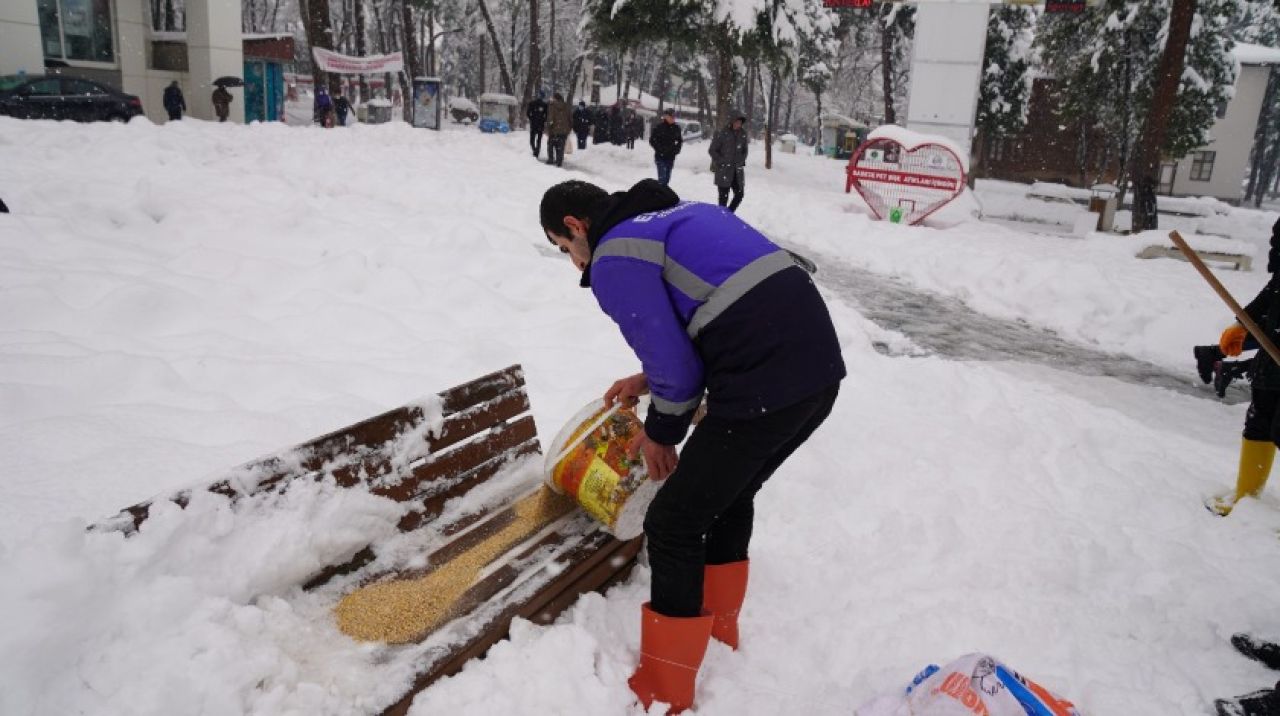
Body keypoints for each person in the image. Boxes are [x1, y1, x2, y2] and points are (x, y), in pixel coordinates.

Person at [538, 179, 845, 713]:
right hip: (815, 377)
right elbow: (714, 315)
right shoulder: (679, 216)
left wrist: (662, 434)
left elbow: (679, 365)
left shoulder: (614, 257)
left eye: (565, 250)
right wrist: (648, 381)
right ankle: (718, 630)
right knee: (728, 495)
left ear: (575, 225)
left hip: (764, 384)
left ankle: (666, 686)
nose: (574, 263)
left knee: (674, 521)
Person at [1210, 218, 1280, 517]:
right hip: (1272, 356)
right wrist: (1242, 324)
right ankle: (1246, 497)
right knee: (1259, 423)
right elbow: (1274, 291)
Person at [709, 113, 749, 212]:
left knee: (739, 195)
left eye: (740, 122)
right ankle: (722, 219)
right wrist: (722, 161)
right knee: (723, 200)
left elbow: (745, 150)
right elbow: (712, 150)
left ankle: (729, 215)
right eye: (736, 122)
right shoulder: (721, 133)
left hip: (737, 171)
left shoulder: (743, 134)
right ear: (731, 121)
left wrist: (741, 160)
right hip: (724, 171)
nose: (738, 124)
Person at [649, 108, 683, 186]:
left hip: (671, 157)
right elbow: (652, 140)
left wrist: (676, 150)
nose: (673, 118)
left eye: (674, 116)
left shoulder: (676, 128)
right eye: (671, 116)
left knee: (667, 179)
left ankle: (663, 193)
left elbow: (679, 141)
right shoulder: (659, 127)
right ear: (666, 116)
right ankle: (660, 195)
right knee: (662, 179)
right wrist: (659, 149)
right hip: (660, 157)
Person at [545, 92, 572, 167]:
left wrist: (548, 128)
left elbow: (550, 119)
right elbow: (570, 119)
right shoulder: (567, 106)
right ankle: (559, 161)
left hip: (554, 130)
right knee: (560, 146)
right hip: (563, 131)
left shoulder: (552, 106)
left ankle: (551, 159)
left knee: (551, 145)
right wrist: (568, 129)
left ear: (555, 98)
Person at [527, 90, 549, 158]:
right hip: (540, 124)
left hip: (534, 124)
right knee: (538, 140)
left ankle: (535, 150)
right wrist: (543, 120)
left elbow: (528, 113)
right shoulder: (545, 105)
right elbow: (547, 115)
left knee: (532, 140)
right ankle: (537, 152)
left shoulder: (532, 103)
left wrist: (531, 118)